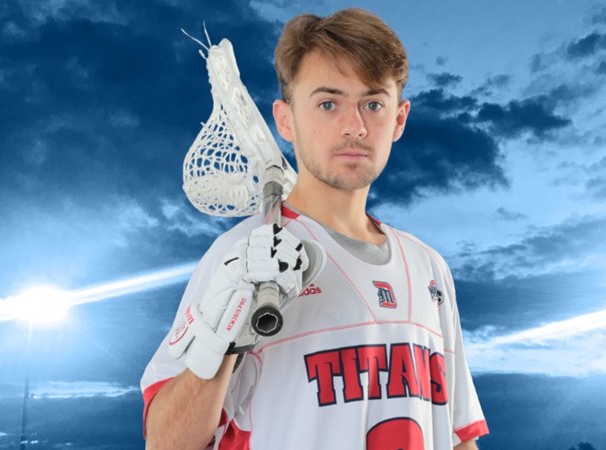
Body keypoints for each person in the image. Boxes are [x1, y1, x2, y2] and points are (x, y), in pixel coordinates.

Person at [141, 8, 488, 450]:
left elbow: (458, 438)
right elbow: (164, 442)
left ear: (399, 119)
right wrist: (222, 339)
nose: (354, 127)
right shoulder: (242, 256)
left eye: (373, 104)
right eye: (328, 104)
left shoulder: (428, 268)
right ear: (285, 119)